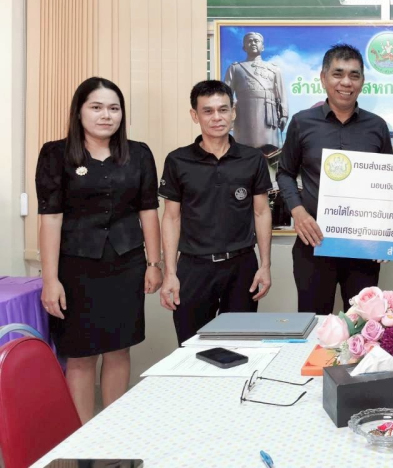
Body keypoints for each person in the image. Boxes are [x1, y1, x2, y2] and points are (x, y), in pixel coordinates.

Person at [36, 77, 162, 423]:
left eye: (114, 108)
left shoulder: (138, 153)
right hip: (75, 269)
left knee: (119, 350)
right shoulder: (55, 154)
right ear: (79, 112)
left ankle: (112, 430)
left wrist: (154, 263)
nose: (106, 115)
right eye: (96, 107)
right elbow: (50, 219)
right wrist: (50, 280)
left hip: (126, 264)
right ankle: (82, 436)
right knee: (80, 356)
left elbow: (148, 211)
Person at [276, 43, 393, 314]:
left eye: (354, 75)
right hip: (314, 243)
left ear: (362, 81)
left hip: (363, 246)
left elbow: (388, 184)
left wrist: (385, 233)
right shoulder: (302, 122)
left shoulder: (377, 127)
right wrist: (298, 212)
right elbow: (284, 173)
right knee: (315, 323)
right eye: (338, 74)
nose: (346, 82)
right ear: (323, 78)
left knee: (364, 323)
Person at [159, 80, 273, 344]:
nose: (217, 117)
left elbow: (261, 213)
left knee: (240, 347)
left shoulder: (252, 158)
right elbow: (171, 218)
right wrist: (170, 273)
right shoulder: (178, 160)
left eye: (223, 109)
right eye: (207, 111)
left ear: (233, 112)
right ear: (195, 115)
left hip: (241, 266)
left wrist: (265, 265)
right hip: (193, 267)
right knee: (191, 347)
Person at [224, 32, 288, 149]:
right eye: (249, 41)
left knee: (269, 150)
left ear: (262, 47)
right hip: (244, 113)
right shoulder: (235, 68)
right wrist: (227, 115)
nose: (253, 43)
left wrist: (284, 114)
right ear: (244, 47)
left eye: (256, 41)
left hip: (268, 113)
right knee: (244, 148)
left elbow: (282, 93)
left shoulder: (274, 69)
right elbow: (226, 96)